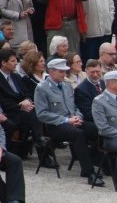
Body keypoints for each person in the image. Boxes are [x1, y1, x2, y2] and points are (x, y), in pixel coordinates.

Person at [34, 58, 102, 186]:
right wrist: (66, 120)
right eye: (61, 72)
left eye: (65, 71)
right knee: (78, 134)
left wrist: (78, 117)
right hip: (56, 125)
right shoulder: (42, 88)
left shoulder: (66, 85)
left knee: (99, 129)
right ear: (52, 72)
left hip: (73, 121)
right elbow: (42, 114)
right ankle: (89, 172)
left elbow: (75, 106)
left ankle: (92, 159)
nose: (64, 74)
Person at [79, 0, 113, 64]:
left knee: (106, 61)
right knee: (91, 61)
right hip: (90, 34)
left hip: (105, 32)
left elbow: (111, 5)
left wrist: (110, 19)